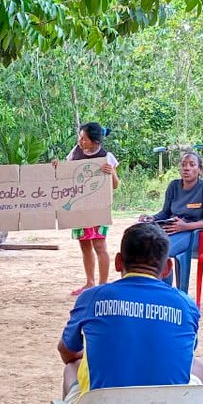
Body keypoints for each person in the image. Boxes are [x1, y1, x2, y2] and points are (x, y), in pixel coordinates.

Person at [57, 222, 203, 404]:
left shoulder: (93, 298)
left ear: (117, 262)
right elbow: (184, 354)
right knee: (199, 367)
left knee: (73, 367)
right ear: (167, 269)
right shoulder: (186, 305)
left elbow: (67, 351)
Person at [139, 151, 203, 292]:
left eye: (191, 164)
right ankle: (158, 290)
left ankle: (167, 294)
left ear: (199, 169)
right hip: (173, 230)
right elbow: (165, 212)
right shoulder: (173, 186)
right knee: (148, 245)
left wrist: (186, 227)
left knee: (162, 250)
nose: (186, 168)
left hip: (197, 234)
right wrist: (152, 218)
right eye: (183, 165)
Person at [63, 122, 120, 296]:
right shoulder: (75, 153)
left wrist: (111, 173)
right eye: (80, 138)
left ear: (95, 141)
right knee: (85, 245)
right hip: (80, 207)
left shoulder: (106, 157)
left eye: (84, 138)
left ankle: (102, 285)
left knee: (99, 245)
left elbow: (115, 186)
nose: (80, 141)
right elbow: (65, 173)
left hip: (99, 208)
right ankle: (90, 282)